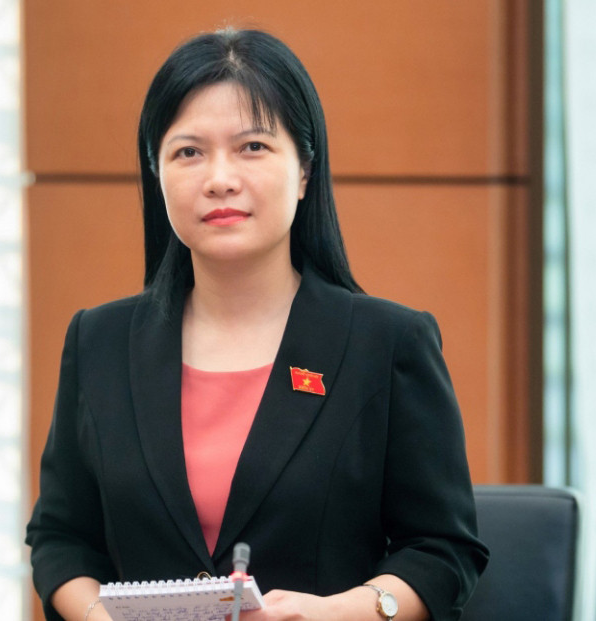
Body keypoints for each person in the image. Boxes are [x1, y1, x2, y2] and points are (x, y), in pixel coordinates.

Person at [26, 28, 488, 621]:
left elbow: (444, 551)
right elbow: (61, 538)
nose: (219, 178)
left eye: (252, 147)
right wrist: (98, 616)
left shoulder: (388, 343)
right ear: (156, 174)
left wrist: (335, 613)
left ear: (304, 170)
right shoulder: (99, 342)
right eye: (188, 152)